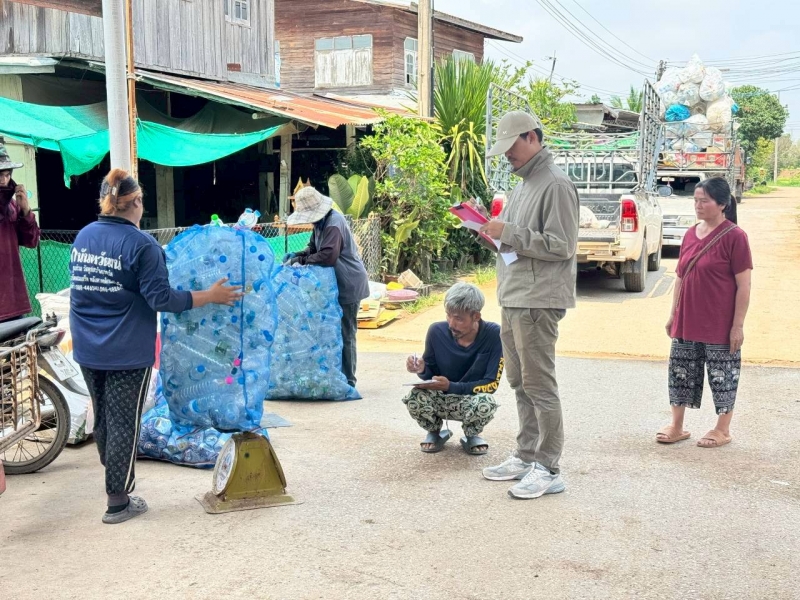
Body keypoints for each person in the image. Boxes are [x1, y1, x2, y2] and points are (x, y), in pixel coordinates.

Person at [70, 168, 242, 524]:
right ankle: (118, 501)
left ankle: (112, 474)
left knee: (104, 416)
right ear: (136, 202)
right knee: (124, 422)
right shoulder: (141, 245)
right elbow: (162, 298)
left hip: (87, 345)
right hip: (125, 351)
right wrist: (210, 295)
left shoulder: (84, 236)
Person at [478, 111, 579, 500]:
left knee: (539, 383)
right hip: (515, 294)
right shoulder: (524, 185)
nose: (508, 155)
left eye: (512, 146)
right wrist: (491, 233)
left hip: (538, 299)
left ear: (532, 138)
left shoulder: (555, 185)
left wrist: (509, 232)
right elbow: (515, 242)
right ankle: (526, 455)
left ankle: (548, 467)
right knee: (520, 381)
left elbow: (562, 245)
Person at [658, 177, 752, 448]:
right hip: (687, 318)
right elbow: (680, 277)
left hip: (719, 322)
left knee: (723, 375)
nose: (698, 205)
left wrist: (737, 325)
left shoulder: (735, 236)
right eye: (695, 200)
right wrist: (673, 314)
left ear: (722, 204)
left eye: (704, 201)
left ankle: (722, 429)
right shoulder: (690, 234)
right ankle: (677, 425)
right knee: (680, 372)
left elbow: (744, 285)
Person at [282, 186, 370, 388]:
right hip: (334, 285)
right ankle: (335, 376)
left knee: (346, 334)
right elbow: (313, 248)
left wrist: (300, 261)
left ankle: (348, 381)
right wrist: (298, 254)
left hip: (348, 283)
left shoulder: (334, 223)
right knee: (331, 332)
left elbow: (328, 256)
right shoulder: (320, 224)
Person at [403, 283, 503, 455]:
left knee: (487, 401)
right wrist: (422, 368)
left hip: (470, 399)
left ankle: (472, 434)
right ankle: (434, 432)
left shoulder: (494, 335)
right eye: (448, 315)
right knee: (414, 396)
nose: (451, 323)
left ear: (476, 316)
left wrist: (451, 386)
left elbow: (491, 384)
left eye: (458, 318)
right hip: (440, 398)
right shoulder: (436, 331)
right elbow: (430, 375)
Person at [0, 139, 40, 322]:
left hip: (14, 300)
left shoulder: (13, 206)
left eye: (7, 174)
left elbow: (31, 241)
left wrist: (26, 211)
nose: (4, 180)